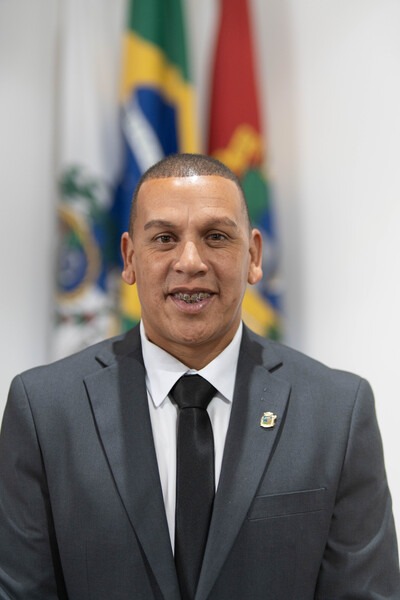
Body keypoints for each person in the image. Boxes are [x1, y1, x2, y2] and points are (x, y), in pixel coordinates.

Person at [0, 153, 399, 600]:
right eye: (165, 238)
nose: (190, 261)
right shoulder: (44, 411)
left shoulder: (337, 413)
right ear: (129, 258)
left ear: (254, 256)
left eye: (216, 237)